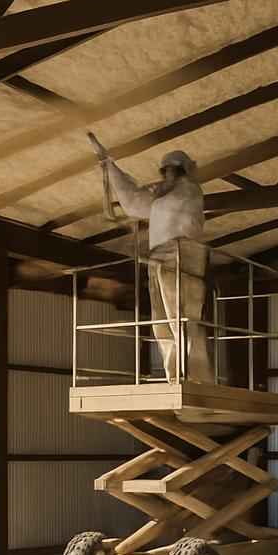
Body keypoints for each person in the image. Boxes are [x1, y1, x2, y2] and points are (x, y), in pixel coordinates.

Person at [89, 135, 211, 383]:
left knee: (182, 317)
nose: (166, 175)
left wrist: (156, 190)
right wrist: (109, 165)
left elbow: (160, 204)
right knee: (162, 322)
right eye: (165, 171)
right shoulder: (164, 196)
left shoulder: (189, 191)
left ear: (182, 171)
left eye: (170, 171)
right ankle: (174, 376)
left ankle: (195, 378)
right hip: (159, 257)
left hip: (183, 255)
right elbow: (133, 203)